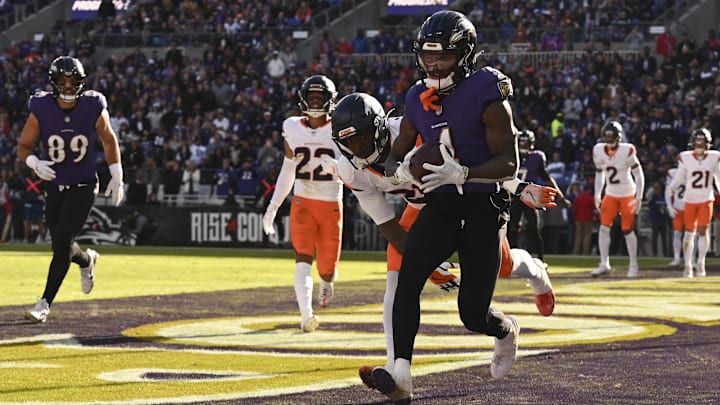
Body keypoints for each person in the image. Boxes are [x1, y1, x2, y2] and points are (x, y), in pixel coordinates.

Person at [328, 93, 557, 391]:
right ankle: (398, 369)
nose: (358, 149)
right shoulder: (351, 171)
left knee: (504, 267)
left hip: (468, 198)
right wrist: (429, 263)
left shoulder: (417, 131)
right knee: (398, 272)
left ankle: (537, 272)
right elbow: (389, 226)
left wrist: (517, 187)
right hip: (425, 210)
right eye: (350, 143)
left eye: (363, 139)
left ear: (380, 128)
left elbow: (475, 163)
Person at [376, 11, 526, 402]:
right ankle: (402, 372)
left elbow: (509, 164)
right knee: (408, 278)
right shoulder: (415, 97)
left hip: (483, 205)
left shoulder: (486, 89)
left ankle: (507, 330)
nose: (433, 64)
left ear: (464, 55)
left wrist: (465, 173)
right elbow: (397, 153)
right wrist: (402, 169)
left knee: (472, 314)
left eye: (441, 56)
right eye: (427, 57)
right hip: (442, 204)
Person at [17, 56, 124, 323]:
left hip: (84, 183)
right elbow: (23, 146)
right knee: (61, 245)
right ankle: (86, 260)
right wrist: (33, 162)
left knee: (63, 236)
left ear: (81, 82)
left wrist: (116, 175)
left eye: (73, 81)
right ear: (54, 83)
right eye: (63, 82)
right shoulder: (41, 106)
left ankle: (44, 303)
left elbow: (109, 139)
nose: (67, 87)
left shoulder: (93, 104)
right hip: (54, 183)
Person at [262, 75, 343, 333]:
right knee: (302, 258)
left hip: (331, 203)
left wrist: (339, 169)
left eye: (321, 97)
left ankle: (326, 283)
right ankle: (306, 315)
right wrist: (273, 207)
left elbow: (356, 170)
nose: (316, 102)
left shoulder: (340, 127)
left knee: (328, 267)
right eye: (312, 97)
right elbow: (287, 170)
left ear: (330, 101)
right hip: (303, 201)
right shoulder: (292, 127)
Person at [590, 120, 645, 278]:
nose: (608, 139)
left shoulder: (627, 150)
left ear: (618, 137)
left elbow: (638, 174)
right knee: (603, 228)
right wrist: (597, 193)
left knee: (627, 230)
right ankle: (604, 263)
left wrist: (639, 197)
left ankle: (633, 264)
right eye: (606, 136)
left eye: (611, 136)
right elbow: (599, 173)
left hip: (627, 194)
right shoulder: (598, 150)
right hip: (611, 194)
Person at [507, 129, 568, 260]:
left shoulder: (536, 158)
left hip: (531, 196)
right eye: (521, 143)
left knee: (534, 229)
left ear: (531, 144)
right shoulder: (511, 155)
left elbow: (546, 177)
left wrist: (561, 196)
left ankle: (540, 259)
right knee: (512, 228)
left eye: (525, 143)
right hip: (514, 195)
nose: (523, 146)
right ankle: (512, 259)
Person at [667, 128, 719, 278]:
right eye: (697, 141)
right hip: (690, 199)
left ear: (708, 143)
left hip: (706, 199)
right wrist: (672, 188)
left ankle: (701, 263)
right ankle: (688, 265)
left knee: (703, 231)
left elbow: (718, 177)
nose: (699, 145)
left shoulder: (714, 157)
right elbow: (680, 176)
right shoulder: (685, 157)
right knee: (689, 234)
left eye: (702, 142)